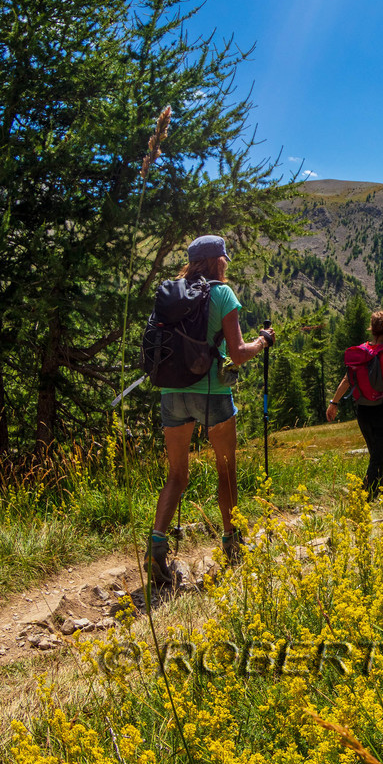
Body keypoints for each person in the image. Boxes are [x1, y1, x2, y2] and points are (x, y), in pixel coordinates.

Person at [147, 234, 275, 587]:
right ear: (219, 260)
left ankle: (156, 549)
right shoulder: (222, 293)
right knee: (225, 469)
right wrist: (262, 341)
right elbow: (236, 353)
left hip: (172, 392)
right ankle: (232, 544)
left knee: (176, 475)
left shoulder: (171, 294)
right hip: (212, 391)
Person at [327, 310, 383, 500]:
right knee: (378, 454)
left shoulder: (361, 352)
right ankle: (367, 494)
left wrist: (334, 403)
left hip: (363, 410)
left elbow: (347, 380)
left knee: (378, 451)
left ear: (373, 331)